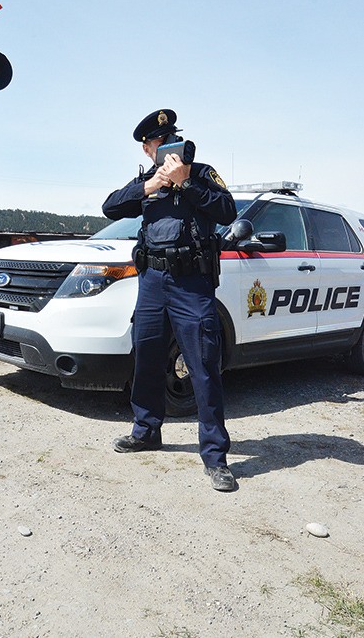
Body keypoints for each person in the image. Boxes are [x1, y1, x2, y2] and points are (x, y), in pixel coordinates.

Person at [102, 109, 237, 491]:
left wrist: (186, 183)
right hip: (151, 282)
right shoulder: (147, 180)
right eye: (155, 146)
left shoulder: (201, 173)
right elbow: (110, 206)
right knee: (146, 356)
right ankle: (146, 431)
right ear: (148, 152)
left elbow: (228, 211)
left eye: (167, 141)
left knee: (203, 366)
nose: (161, 150)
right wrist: (151, 186)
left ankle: (215, 457)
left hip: (191, 283)